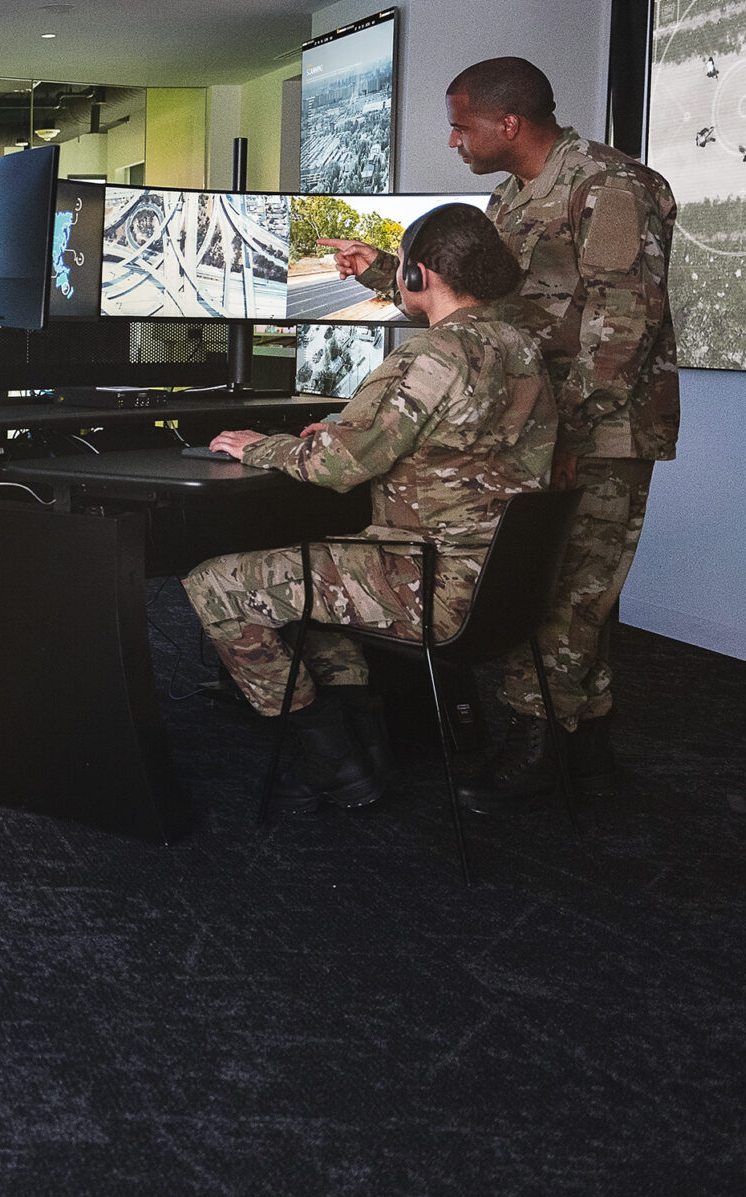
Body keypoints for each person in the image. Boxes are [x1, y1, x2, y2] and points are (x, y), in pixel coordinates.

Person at [319, 56, 677, 809]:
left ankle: (539, 742)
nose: (455, 140)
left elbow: (623, 328)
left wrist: (571, 435)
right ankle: (588, 749)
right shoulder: (513, 194)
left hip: (596, 432)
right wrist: (388, 271)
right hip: (542, 426)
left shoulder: (607, 185)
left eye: (460, 125)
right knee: (565, 588)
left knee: (569, 593)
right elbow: (488, 297)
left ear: (507, 122)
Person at [186, 205, 555, 812]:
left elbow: (337, 466)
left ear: (418, 275)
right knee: (324, 563)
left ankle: (328, 760)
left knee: (212, 584)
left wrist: (263, 446)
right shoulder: (521, 346)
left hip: (435, 585)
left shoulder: (432, 358)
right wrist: (338, 437)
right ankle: (363, 745)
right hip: (503, 587)